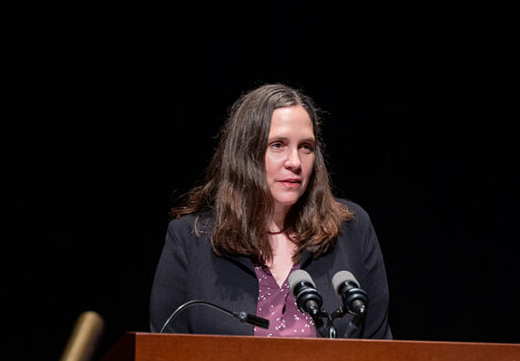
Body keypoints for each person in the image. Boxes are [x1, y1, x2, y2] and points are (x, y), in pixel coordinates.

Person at [149, 83, 392, 338]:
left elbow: (380, 349)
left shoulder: (351, 229)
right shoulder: (191, 237)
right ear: (246, 152)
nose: (295, 162)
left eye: (306, 147)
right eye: (278, 145)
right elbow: (164, 359)